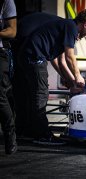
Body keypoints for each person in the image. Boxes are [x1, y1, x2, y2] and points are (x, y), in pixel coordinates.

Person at [15, 9, 86, 145]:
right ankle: (42, 135)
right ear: (85, 24)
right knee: (41, 94)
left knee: (33, 94)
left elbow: (59, 61)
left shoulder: (66, 27)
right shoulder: (71, 27)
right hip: (34, 57)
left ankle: (27, 131)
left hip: (29, 56)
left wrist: (70, 81)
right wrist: (78, 76)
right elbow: (69, 56)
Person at [0, 0, 17, 154]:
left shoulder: (7, 2)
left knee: (0, 96)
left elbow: (12, 31)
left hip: (0, 53)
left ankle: (10, 136)